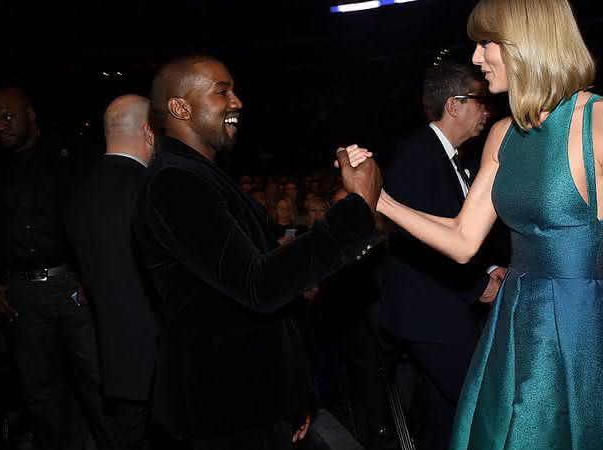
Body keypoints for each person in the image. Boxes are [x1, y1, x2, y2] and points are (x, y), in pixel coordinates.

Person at [345, 0, 603, 448]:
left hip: (581, 327)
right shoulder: (502, 134)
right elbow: (463, 240)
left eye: (487, 43)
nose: (478, 57)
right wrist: (377, 198)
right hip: (512, 322)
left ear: (528, 41)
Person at [132, 55, 382, 450]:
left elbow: (264, 298)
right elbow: (259, 284)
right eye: (222, 91)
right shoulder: (173, 183)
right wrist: (357, 209)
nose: (237, 102)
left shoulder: (202, 177)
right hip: (222, 410)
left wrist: (293, 393)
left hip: (250, 401)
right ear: (180, 108)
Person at [379, 61, 505, 450]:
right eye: (479, 102)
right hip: (427, 314)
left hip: (444, 307)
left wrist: (489, 269)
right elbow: (419, 243)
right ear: (454, 105)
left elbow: (458, 229)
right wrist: (478, 284)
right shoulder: (417, 157)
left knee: (444, 416)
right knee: (483, 405)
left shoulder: (455, 158)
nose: (487, 112)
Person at [0, 87, 109, 450]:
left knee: (96, 381)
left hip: (72, 283)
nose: (0, 126)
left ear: (30, 114)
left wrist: (91, 273)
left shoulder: (69, 154)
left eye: (7, 117)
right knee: (41, 392)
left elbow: (95, 217)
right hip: (19, 294)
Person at [67, 95, 158, 450]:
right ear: (149, 132)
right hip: (161, 361)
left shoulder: (79, 194)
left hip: (112, 360)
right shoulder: (150, 190)